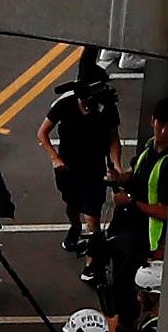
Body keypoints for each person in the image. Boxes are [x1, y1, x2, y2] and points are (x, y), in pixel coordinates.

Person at [39, 48, 124, 253]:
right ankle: (75, 226)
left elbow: (114, 138)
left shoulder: (106, 108)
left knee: (93, 213)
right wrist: (55, 158)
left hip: (95, 168)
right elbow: (42, 133)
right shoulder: (64, 105)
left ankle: (92, 257)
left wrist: (117, 167)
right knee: (72, 204)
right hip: (69, 166)